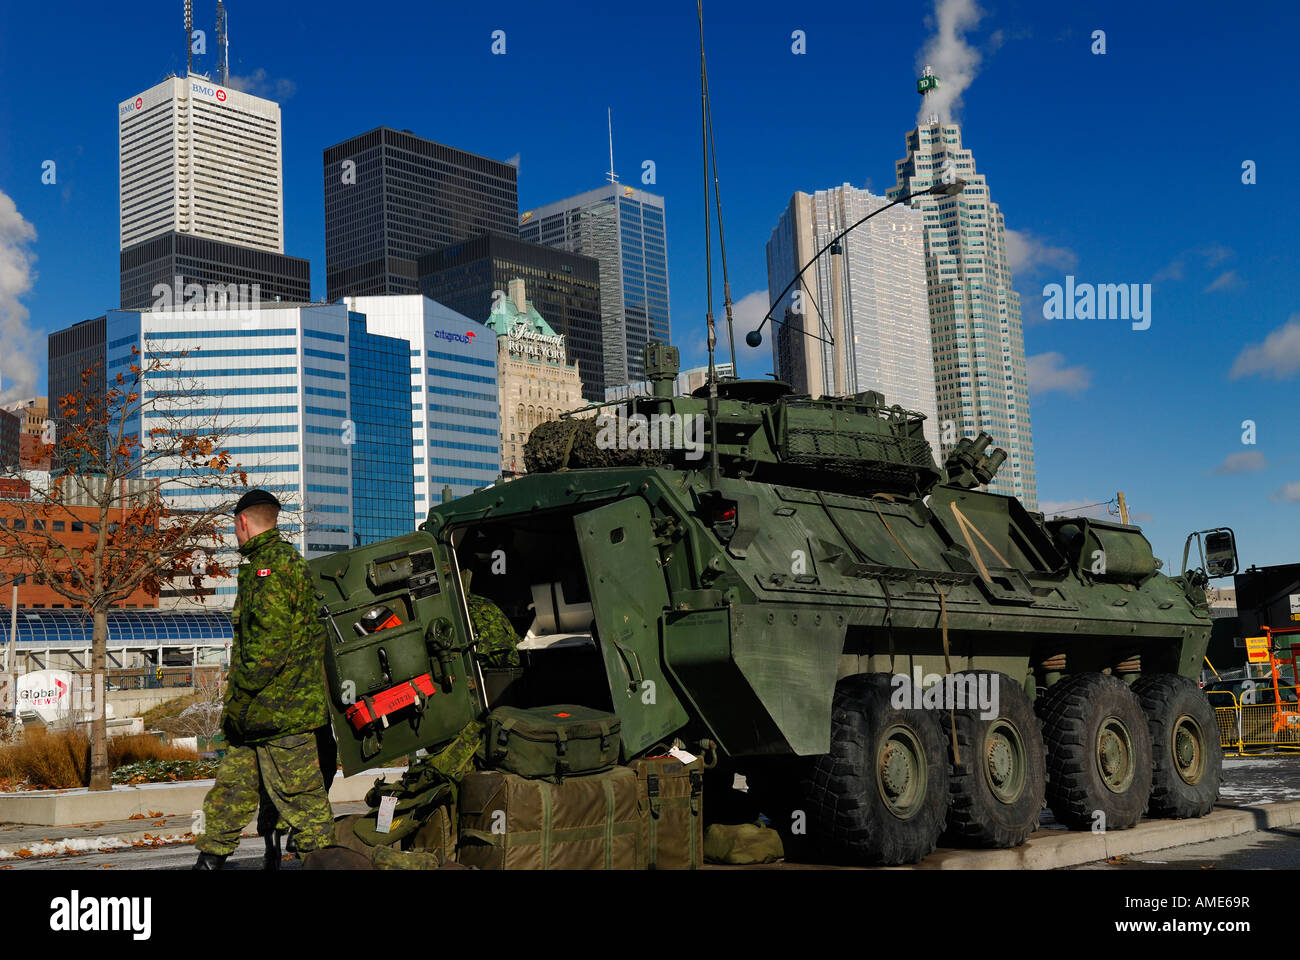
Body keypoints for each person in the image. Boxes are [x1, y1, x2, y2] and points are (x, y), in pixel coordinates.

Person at [193, 489, 336, 869]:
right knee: (231, 790)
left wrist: (239, 694)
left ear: (243, 522)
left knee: (306, 810)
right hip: (262, 716)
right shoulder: (281, 561)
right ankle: (209, 860)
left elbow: (269, 644)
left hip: (280, 714)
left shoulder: (269, 567)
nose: (235, 535)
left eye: (234, 528)